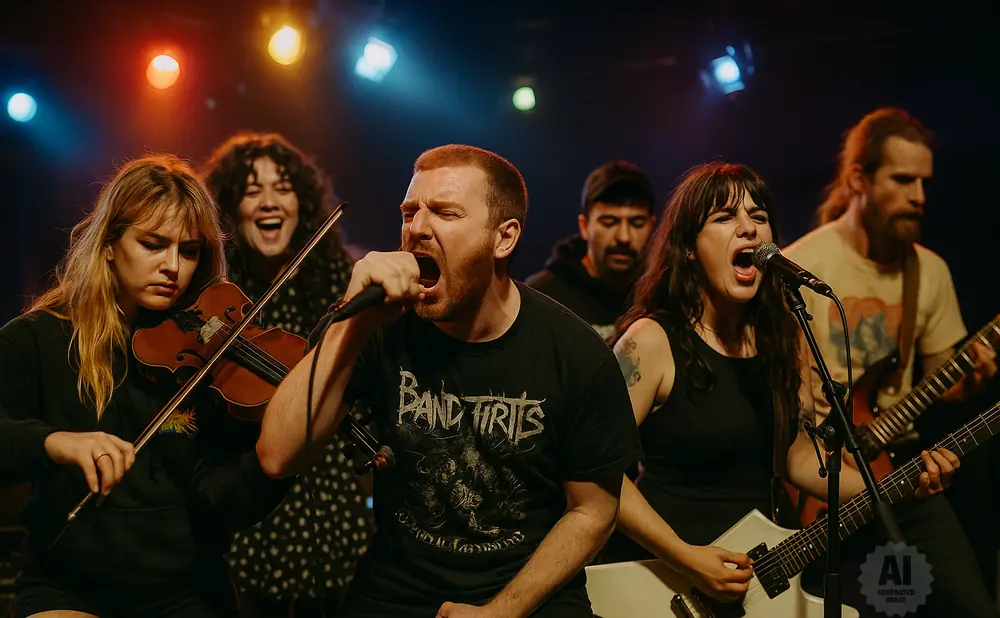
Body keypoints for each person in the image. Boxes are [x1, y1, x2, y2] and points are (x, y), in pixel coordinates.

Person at [254, 144, 644, 618]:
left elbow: (593, 511)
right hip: (397, 589)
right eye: (409, 212)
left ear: (504, 238)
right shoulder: (376, 330)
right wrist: (352, 324)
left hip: (527, 591)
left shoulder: (577, 353)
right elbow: (278, 455)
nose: (417, 228)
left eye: (444, 212)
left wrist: (502, 612)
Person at [598, 161, 959, 607]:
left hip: (760, 573)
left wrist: (901, 489)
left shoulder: (784, 339)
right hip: (668, 579)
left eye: (759, 216)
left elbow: (798, 457)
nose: (748, 229)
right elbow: (596, 469)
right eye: (725, 217)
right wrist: (686, 558)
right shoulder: (651, 341)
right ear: (689, 247)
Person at [0, 154, 293, 617]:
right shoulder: (36, 339)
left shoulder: (208, 359)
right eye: (153, 244)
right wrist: (56, 442)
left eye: (190, 250)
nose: (173, 266)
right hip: (67, 588)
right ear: (111, 242)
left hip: (185, 593)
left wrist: (281, 459)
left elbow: (223, 500)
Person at [784, 107, 999, 617]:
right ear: (858, 177)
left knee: (970, 606)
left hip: (900, 475)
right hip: (817, 486)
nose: (919, 197)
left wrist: (972, 377)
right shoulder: (803, 267)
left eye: (924, 182)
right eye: (903, 180)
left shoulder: (929, 271)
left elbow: (940, 383)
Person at [202, 131, 371, 617]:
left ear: (303, 202)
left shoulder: (342, 282)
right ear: (230, 209)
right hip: (253, 499)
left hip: (334, 498)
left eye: (282, 188)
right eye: (252, 190)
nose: (270, 202)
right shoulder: (217, 296)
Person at [525, 161, 655, 339]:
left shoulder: (662, 293)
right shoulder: (544, 296)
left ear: (652, 225)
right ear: (584, 226)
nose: (624, 237)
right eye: (609, 222)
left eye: (637, 223)